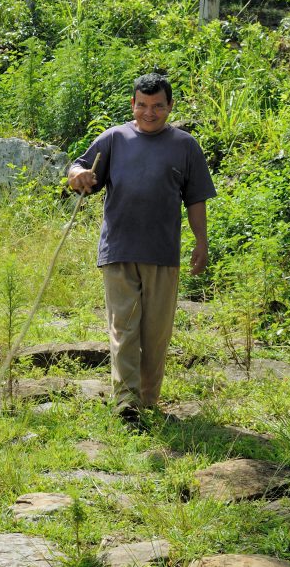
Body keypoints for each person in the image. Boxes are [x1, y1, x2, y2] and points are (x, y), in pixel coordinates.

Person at [67, 72, 216, 423]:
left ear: (169, 107)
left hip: (162, 252)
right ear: (133, 105)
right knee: (124, 326)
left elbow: (195, 199)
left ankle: (148, 400)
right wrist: (78, 176)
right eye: (143, 105)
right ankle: (127, 404)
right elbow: (80, 166)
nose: (149, 113)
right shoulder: (115, 138)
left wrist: (201, 242)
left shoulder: (185, 145)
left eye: (158, 106)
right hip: (119, 248)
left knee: (156, 331)